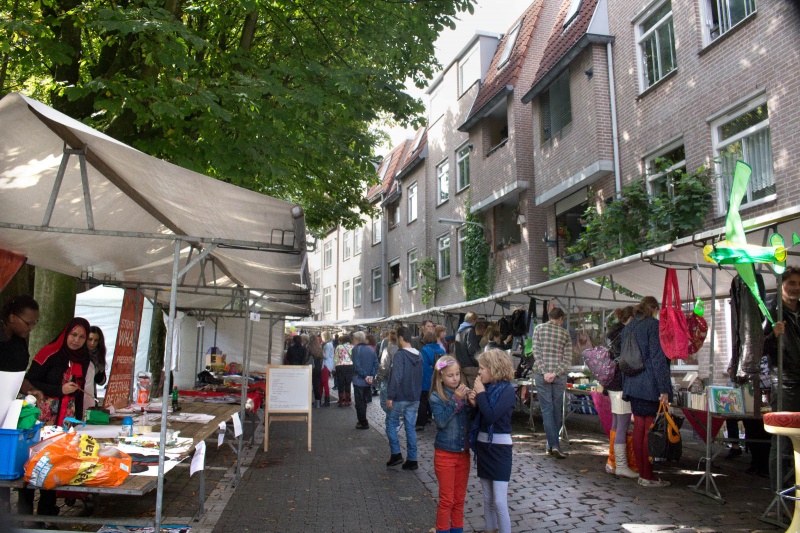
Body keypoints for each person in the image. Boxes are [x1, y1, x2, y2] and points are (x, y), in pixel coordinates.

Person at [22, 317, 92, 519]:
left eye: (81, 337)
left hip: (66, 418)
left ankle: (46, 513)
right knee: (32, 461)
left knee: (54, 463)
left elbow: (78, 392)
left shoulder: (83, 357)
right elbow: (29, 381)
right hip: (42, 416)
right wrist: (58, 390)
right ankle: (25, 513)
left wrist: (78, 420)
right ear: (65, 333)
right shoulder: (49, 352)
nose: (76, 340)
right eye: (73, 335)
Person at [622, 296, 672, 487]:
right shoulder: (653, 325)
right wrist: (664, 388)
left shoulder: (630, 326)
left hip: (632, 384)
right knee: (648, 431)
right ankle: (647, 475)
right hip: (650, 384)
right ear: (654, 308)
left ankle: (641, 471)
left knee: (639, 429)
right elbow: (658, 360)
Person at [0, 295, 41, 513]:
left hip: (8, 409)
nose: (32, 327)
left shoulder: (19, 341)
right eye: (28, 323)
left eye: (35, 323)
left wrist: (30, 389)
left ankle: (11, 510)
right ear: (12, 318)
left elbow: (18, 373)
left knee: (7, 464)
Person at [467, 349, 515, 533]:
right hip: (483, 445)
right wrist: (473, 405)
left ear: (494, 369)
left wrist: (480, 395)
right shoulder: (486, 389)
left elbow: (492, 416)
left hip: (500, 448)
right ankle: (490, 529)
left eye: (482, 368)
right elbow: (478, 418)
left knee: (499, 501)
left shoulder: (507, 390)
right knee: (487, 499)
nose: (479, 372)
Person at [764, 265, 800, 488]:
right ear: (781, 286)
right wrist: (772, 335)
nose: (796, 288)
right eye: (792, 283)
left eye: (799, 283)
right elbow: (757, 348)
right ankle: (781, 495)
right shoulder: (771, 311)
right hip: (785, 381)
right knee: (783, 440)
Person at [429, 355, 472, 533]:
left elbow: (471, 421)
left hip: (463, 453)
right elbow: (441, 422)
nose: (455, 379)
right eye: (450, 375)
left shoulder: (464, 391)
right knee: (447, 500)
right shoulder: (436, 397)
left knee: (460, 499)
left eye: (457, 374)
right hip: (445, 452)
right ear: (440, 377)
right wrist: (456, 399)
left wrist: (474, 401)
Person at [532, 307, 572, 459]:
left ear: (549, 317)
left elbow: (536, 352)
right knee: (556, 409)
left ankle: (551, 445)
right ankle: (554, 445)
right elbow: (567, 358)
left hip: (541, 374)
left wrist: (544, 371)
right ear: (561, 319)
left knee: (546, 409)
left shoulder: (538, 329)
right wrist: (555, 373)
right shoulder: (565, 333)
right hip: (559, 376)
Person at [604, 306, 638, 478]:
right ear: (631, 318)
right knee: (623, 425)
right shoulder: (626, 335)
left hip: (612, 384)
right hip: (621, 384)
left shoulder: (613, 334)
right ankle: (622, 465)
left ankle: (612, 462)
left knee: (616, 424)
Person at [385, 326, 422, 470]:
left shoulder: (400, 355)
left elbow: (396, 377)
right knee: (410, 428)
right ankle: (412, 459)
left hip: (400, 397)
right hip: (414, 397)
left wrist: (390, 396)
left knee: (390, 423)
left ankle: (396, 454)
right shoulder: (419, 355)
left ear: (400, 338)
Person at [418, 331, 445, 431]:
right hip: (438, 379)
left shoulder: (424, 350)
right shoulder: (442, 350)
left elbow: (423, 367)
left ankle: (421, 422)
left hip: (426, 379)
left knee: (423, 400)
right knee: (437, 399)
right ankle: (434, 418)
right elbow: (443, 365)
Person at [351, 331, 378, 428]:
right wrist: (371, 375)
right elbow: (376, 363)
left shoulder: (356, 350)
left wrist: (365, 376)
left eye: (353, 339)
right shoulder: (371, 349)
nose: (353, 341)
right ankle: (363, 420)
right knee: (364, 401)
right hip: (368, 381)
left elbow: (356, 365)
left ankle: (363, 422)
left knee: (359, 402)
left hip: (359, 380)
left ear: (357, 339)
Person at [454, 312, 480, 386]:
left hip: (461, 365)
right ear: (474, 320)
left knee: (465, 390)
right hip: (470, 365)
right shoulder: (470, 331)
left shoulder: (459, 331)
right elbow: (472, 349)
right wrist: (477, 363)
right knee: (474, 390)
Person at [85, 325, 108, 410]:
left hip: (91, 394)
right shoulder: (79, 355)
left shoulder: (99, 356)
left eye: (96, 340)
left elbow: (102, 381)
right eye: (90, 339)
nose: (92, 343)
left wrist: (98, 370)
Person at [376, 330, 398, 413]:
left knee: (385, 403)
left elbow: (384, 366)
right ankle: (395, 415)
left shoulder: (387, 349)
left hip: (388, 379)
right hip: (399, 380)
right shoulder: (402, 349)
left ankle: (392, 417)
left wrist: (379, 378)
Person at [334, 332, 354, 406]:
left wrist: (335, 367)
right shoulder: (352, 347)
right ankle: (348, 400)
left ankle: (341, 400)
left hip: (340, 366)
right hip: (349, 366)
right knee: (348, 383)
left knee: (340, 383)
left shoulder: (339, 347)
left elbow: (336, 358)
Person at [308, 334, 324, 408]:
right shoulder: (319, 348)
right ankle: (318, 402)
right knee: (316, 385)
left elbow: (305, 358)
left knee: (308, 385)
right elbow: (322, 359)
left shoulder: (309, 347)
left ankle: (307, 402)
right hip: (318, 368)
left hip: (310, 368)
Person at [321, 331, 334, 407]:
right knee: (324, 382)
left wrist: (320, 352)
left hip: (326, 365)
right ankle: (326, 399)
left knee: (324, 382)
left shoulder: (327, 345)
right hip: (327, 365)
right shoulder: (330, 344)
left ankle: (327, 400)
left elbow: (326, 356)